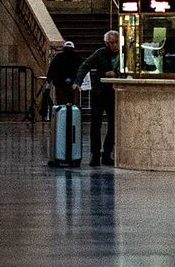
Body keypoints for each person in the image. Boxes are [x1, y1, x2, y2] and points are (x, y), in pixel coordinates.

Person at [74, 30, 120, 167]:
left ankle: (107, 154)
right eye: (112, 42)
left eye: (116, 42)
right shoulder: (100, 53)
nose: (115, 45)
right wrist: (78, 82)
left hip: (114, 94)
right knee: (95, 125)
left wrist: (116, 74)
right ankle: (95, 154)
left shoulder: (123, 54)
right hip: (100, 93)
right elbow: (85, 66)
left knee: (113, 125)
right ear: (106, 43)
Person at [45, 40, 82, 106]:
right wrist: (78, 82)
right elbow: (80, 71)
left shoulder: (58, 57)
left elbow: (52, 69)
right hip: (72, 84)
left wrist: (48, 81)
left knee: (61, 103)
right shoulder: (77, 57)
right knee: (73, 104)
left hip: (60, 84)